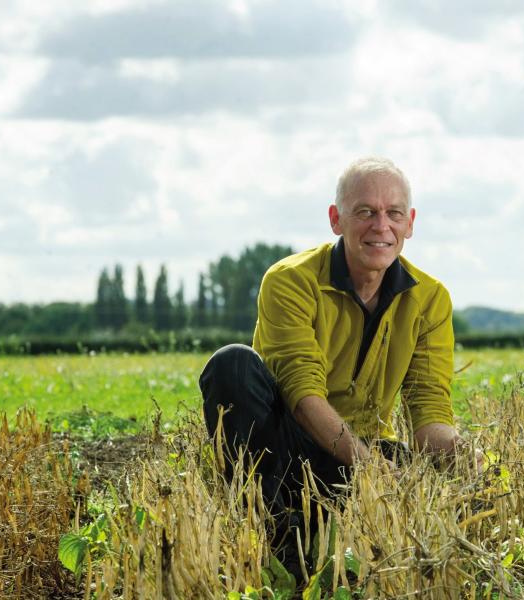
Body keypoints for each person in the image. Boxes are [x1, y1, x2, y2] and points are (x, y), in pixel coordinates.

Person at [199, 157, 467, 571]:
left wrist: (460, 456)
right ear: (335, 219)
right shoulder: (290, 280)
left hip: (362, 459)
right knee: (231, 364)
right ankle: (273, 531)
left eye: (393, 213)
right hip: (287, 452)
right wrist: (370, 468)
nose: (381, 226)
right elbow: (303, 396)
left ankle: (340, 531)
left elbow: (428, 409)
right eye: (365, 212)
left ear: (410, 222)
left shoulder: (430, 299)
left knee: (419, 477)